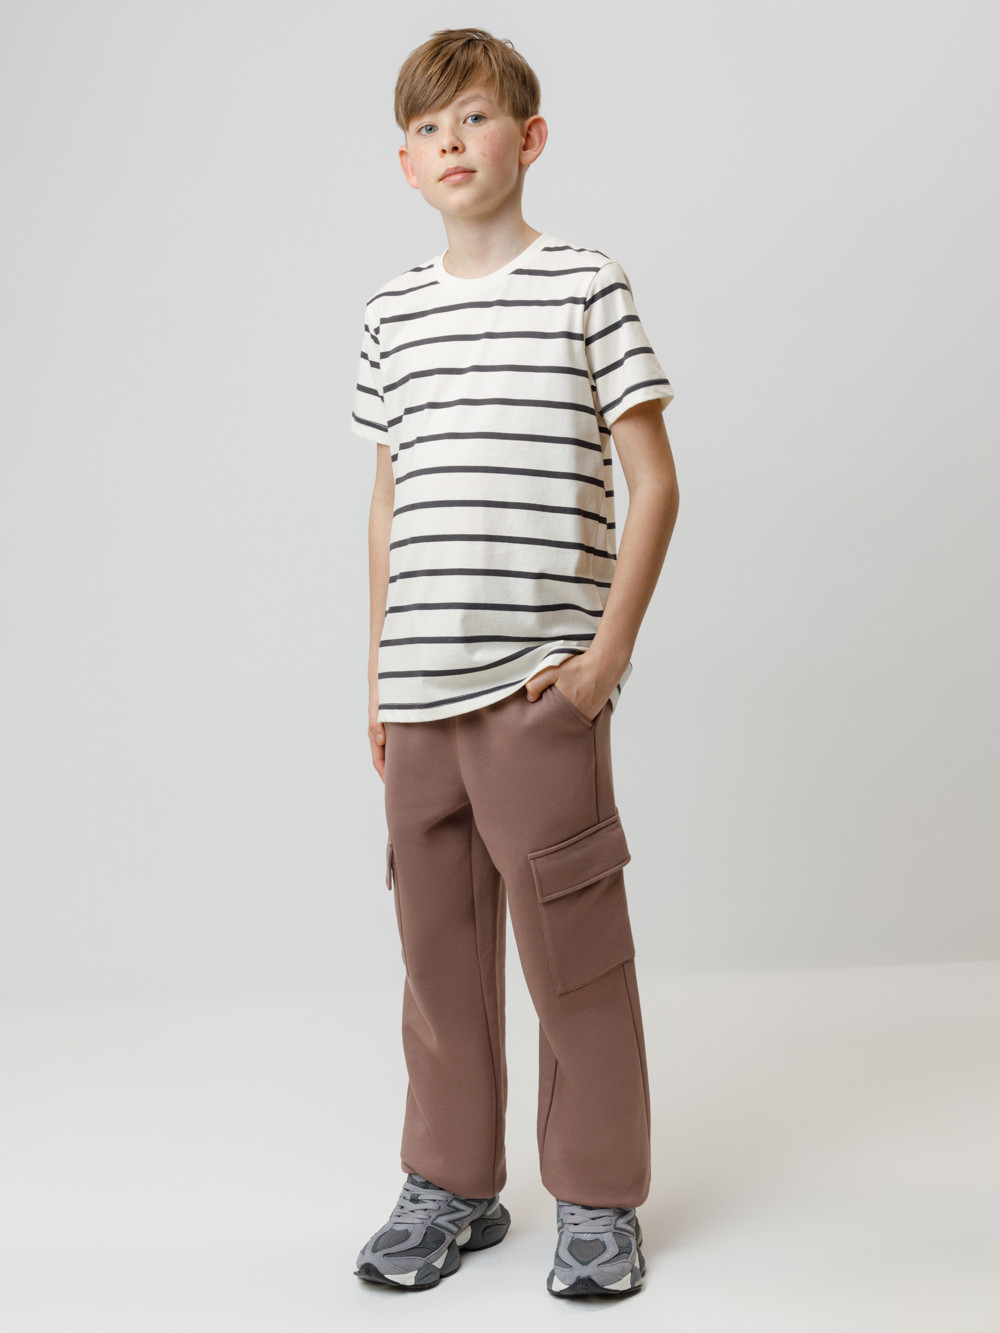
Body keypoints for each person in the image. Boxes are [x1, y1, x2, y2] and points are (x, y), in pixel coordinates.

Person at [349, 26, 679, 1300]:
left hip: (537, 687)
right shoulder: (390, 315)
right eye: (427, 129)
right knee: (437, 962)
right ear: (404, 163)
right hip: (416, 695)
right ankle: (451, 1184)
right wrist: (374, 675)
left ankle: (597, 1196)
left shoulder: (585, 285)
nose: (452, 143)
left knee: (573, 951)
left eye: (475, 118)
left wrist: (599, 665)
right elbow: (387, 502)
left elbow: (653, 482)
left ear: (527, 138)